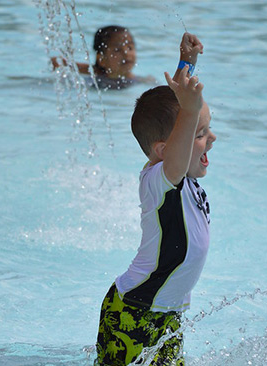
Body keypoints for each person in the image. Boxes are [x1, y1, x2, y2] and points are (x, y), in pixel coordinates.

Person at [94, 33, 216, 365]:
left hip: (168, 314)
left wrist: (187, 63)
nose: (212, 138)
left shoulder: (182, 177)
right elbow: (180, 128)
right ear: (164, 151)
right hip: (133, 312)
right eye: (200, 133)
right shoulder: (160, 181)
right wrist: (188, 115)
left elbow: (178, 105)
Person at [51, 25, 155, 90]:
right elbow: (56, 62)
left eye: (130, 47)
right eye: (117, 50)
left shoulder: (141, 81)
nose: (126, 53)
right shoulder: (95, 77)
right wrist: (93, 69)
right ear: (102, 59)